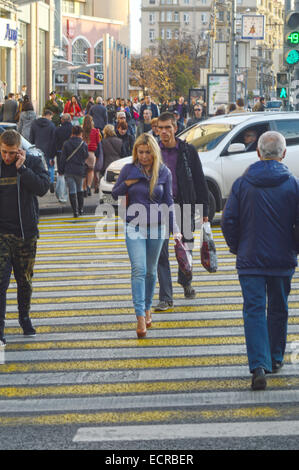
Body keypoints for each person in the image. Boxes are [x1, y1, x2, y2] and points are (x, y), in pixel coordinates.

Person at [221, 131, 299, 391]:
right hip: (282, 260)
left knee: (254, 311)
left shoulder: (243, 183)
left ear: (258, 153)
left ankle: (258, 366)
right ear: (283, 154)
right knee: (278, 308)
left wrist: (238, 247)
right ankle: (276, 358)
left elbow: (229, 221)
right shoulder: (293, 184)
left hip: (250, 259)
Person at [112, 133, 180, 338]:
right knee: (139, 269)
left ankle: (148, 307)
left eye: (147, 152)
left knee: (151, 272)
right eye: (140, 152)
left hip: (158, 228)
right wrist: (128, 183)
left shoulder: (163, 172)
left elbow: (168, 201)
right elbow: (115, 193)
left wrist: (175, 228)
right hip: (134, 227)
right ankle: (140, 316)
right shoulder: (128, 169)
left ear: (154, 152)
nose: (143, 156)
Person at [155, 112, 209, 311]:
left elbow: (199, 179)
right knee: (161, 253)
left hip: (184, 205)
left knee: (185, 249)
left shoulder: (187, 151)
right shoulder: (153, 151)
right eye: (160, 128)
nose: (164, 132)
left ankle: (186, 282)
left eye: (168, 127)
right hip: (159, 209)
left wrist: (204, 210)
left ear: (175, 128)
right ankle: (166, 297)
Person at [0, 130, 50, 345]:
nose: (7, 157)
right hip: (2, 234)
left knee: (24, 281)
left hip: (25, 234)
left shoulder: (32, 161)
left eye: (11, 153)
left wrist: (23, 169)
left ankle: (24, 318)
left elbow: (42, 188)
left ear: (20, 149)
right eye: (3, 152)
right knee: (1, 283)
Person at [60, 126, 89, 217]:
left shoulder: (66, 144)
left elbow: (63, 158)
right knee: (79, 188)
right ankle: (81, 209)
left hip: (69, 170)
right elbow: (86, 156)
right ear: (80, 134)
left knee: (72, 190)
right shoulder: (83, 144)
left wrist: (61, 170)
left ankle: (75, 211)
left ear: (72, 133)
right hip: (80, 170)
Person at [29, 109, 56, 193]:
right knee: (50, 167)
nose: (51, 119)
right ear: (48, 115)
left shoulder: (34, 124)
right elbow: (54, 139)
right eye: (51, 117)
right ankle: (51, 182)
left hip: (37, 148)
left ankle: (40, 183)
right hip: (49, 149)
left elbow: (31, 138)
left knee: (38, 167)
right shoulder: (52, 125)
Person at [82, 115, 100, 197]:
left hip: (83, 153)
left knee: (83, 172)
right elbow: (98, 142)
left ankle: (84, 189)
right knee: (90, 171)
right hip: (92, 153)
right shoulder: (96, 131)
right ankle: (89, 187)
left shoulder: (82, 131)